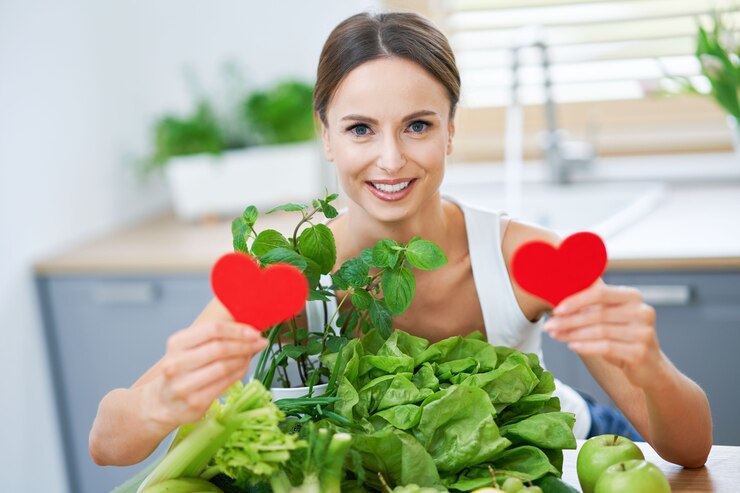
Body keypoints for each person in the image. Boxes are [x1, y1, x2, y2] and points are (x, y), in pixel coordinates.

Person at [89, 11, 712, 469]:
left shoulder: (523, 258)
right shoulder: (285, 276)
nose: (390, 159)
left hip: (561, 447)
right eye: (361, 129)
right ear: (326, 136)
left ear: (450, 131)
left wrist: (651, 366)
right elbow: (108, 444)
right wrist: (163, 401)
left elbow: (689, 449)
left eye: (417, 125)